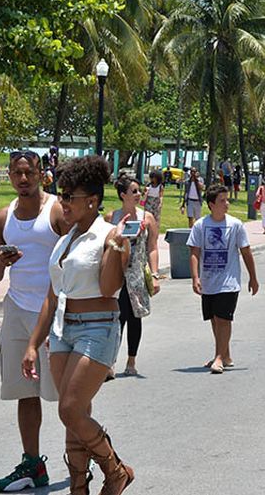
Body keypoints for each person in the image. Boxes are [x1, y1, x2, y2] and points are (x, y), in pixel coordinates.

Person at [22, 155, 136, 495]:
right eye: (61, 195)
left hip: (98, 327)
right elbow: (51, 296)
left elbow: (108, 289)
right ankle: (78, 487)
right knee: (74, 412)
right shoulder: (66, 239)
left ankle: (115, 471)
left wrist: (116, 246)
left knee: (70, 408)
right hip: (62, 329)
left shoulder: (108, 235)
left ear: (93, 201)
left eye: (70, 196)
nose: (63, 203)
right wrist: (32, 344)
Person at [0, 151, 66, 493]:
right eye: (16, 173)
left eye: (28, 173)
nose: (22, 179)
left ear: (40, 174)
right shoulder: (2, 219)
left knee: (68, 395)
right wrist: (2, 262)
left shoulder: (58, 211)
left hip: (55, 311)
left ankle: (83, 458)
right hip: (17, 310)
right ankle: (32, 464)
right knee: (25, 392)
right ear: (9, 176)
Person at [188, 185, 259, 374]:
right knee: (214, 319)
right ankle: (225, 355)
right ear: (211, 205)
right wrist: (195, 277)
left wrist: (253, 277)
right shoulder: (200, 225)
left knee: (223, 318)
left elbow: (246, 251)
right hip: (208, 280)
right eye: (222, 200)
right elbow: (194, 252)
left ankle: (219, 357)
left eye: (227, 200)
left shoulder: (235, 225)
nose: (226, 203)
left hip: (229, 281)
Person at [105, 176, 161, 377]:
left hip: (136, 273)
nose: (139, 195)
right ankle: (110, 362)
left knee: (135, 317)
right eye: (134, 191)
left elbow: (152, 247)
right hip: (117, 274)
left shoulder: (147, 217)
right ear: (123, 195)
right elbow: (104, 247)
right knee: (115, 318)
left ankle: (131, 361)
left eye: (139, 191)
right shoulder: (112, 218)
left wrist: (154, 274)